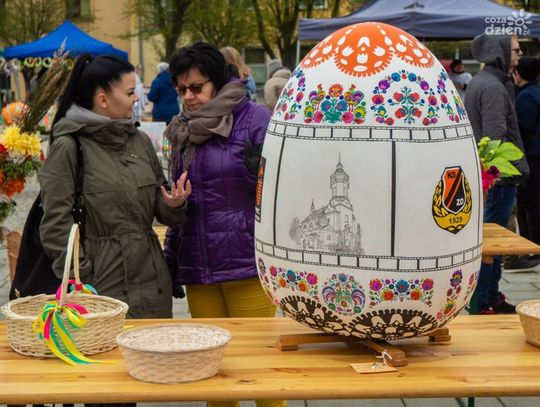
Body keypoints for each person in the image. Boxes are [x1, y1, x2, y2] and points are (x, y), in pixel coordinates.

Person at [163, 42, 284, 407]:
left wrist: (254, 176)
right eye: (182, 89)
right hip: (199, 267)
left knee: (261, 376)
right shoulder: (181, 131)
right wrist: (172, 249)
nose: (188, 97)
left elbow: (279, 189)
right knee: (214, 377)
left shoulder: (255, 120)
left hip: (245, 266)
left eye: (196, 87)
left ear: (217, 81)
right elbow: (180, 199)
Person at [39, 54, 191, 323]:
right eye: (130, 92)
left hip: (152, 285)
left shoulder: (140, 141)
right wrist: (81, 279)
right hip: (101, 290)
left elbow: (160, 207)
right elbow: (55, 225)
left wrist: (173, 204)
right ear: (103, 99)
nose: (137, 98)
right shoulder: (69, 147)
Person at [464, 34, 529, 315]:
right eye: (516, 50)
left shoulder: (487, 82)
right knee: (492, 242)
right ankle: (484, 302)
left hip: (495, 178)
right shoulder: (492, 87)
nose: (519, 54)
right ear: (500, 52)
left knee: (492, 241)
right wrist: (498, 174)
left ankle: (491, 296)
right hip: (498, 179)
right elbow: (494, 138)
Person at [510, 56, 540, 269]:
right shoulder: (534, 91)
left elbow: (523, 127)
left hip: (531, 154)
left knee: (530, 203)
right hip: (536, 152)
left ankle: (534, 248)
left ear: (518, 74)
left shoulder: (525, 97)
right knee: (530, 202)